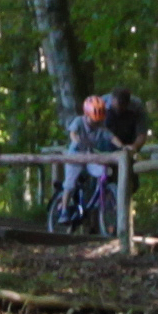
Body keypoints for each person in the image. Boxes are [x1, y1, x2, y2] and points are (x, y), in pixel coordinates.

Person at [52, 93, 122, 233]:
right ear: (86, 115)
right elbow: (73, 133)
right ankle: (64, 209)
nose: (95, 123)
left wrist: (123, 147)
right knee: (70, 184)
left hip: (90, 156)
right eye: (92, 120)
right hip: (75, 157)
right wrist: (76, 140)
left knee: (104, 171)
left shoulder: (100, 128)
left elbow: (111, 137)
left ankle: (105, 196)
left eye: (98, 121)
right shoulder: (79, 121)